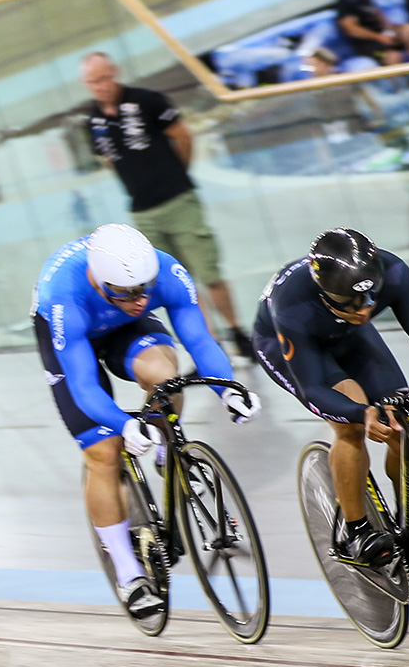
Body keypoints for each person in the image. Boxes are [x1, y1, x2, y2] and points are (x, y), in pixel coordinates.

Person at [34, 223, 254, 620]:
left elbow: (200, 340)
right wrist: (124, 425)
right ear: (100, 283)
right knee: (103, 453)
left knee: (164, 376)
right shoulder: (64, 296)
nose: (139, 300)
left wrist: (229, 390)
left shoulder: (166, 273)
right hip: (72, 337)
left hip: (124, 331)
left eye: (145, 291)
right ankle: (128, 573)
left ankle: (168, 451)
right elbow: (83, 386)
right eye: (126, 293)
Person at [252, 229, 409, 569]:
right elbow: (313, 388)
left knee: (399, 420)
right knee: (351, 423)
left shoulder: (392, 273)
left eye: (369, 299)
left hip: (348, 336)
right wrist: (361, 413)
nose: (364, 310)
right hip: (292, 347)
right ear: (325, 294)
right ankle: (357, 530)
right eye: (350, 303)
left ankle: (408, 525)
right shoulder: (292, 303)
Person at [78, 53, 254, 362]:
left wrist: (177, 175)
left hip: (177, 198)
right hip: (143, 211)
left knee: (208, 271)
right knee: (177, 282)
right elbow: (109, 160)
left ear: (115, 72)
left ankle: (237, 332)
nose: (101, 87)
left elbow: (182, 136)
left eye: (105, 78)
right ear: (86, 84)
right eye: (94, 82)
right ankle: (208, 347)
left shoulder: (146, 101)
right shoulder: (94, 123)